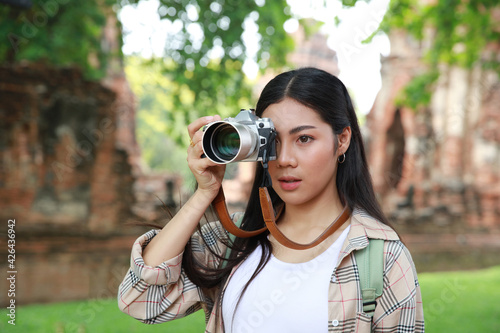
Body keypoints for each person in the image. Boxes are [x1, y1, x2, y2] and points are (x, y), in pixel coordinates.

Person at [117, 67, 425, 332]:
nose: (285, 159)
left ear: (342, 140)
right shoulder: (235, 240)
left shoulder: (381, 257)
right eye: (273, 141)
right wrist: (205, 193)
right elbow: (141, 300)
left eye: (304, 138)